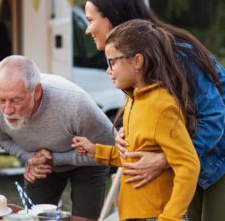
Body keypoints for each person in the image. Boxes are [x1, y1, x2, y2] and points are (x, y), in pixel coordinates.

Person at [85, 0, 225, 221]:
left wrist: (164, 159)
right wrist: (127, 133)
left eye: (90, 20)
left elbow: (214, 117)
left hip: (218, 160)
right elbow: (157, 113)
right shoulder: (129, 61)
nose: (87, 29)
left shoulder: (176, 53)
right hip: (188, 165)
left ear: (114, 17)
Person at [73, 20, 200, 220]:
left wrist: (170, 217)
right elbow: (134, 157)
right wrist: (96, 150)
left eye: (112, 62)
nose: (108, 70)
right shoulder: (133, 100)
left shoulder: (161, 105)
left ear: (137, 61)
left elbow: (188, 165)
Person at [0, 55, 115, 221]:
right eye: (1, 100)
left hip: (87, 164)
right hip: (42, 166)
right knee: (32, 218)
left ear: (36, 92)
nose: (7, 110)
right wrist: (32, 158)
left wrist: (54, 159)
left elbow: (111, 149)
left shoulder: (75, 104)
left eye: (16, 100)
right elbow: (3, 140)